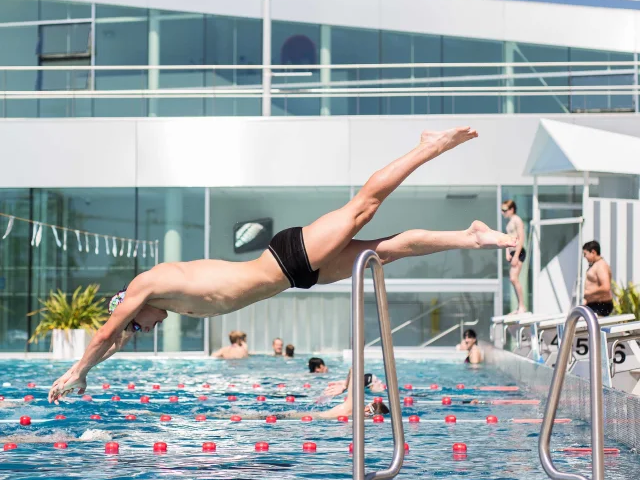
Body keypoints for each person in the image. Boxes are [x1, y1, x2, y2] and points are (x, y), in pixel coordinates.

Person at [48, 127, 516, 402]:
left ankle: (427, 146)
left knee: (362, 208)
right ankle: (470, 236)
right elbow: (117, 339)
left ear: (128, 305)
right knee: (384, 251)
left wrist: (79, 369)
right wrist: (92, 368)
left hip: (286, 257)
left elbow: (109, 332)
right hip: (295, 277)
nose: (145, 330)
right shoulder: (159, 300)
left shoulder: (148, 284)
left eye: (140, 326)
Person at [501, 199, 527, 314]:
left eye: (504, 210)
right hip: (512, 252)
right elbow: (508, 238)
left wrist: (516, 255)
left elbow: (521, 238)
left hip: (519, 251)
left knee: (513, 278)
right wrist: (507, 252)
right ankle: (519, 306)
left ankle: (522, 306)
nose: (503, 213)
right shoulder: (509, 221)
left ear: (512, 209)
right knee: (513, 279)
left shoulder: (517, 220)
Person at [582, 240, 614, 316]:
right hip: (594, 304)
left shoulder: (601, 266)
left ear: (593, 252)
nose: (584, 257)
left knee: (593, 327)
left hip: (601, 305)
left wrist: (589, 293)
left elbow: (606, 287)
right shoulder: (595, 265)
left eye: (585, 254)